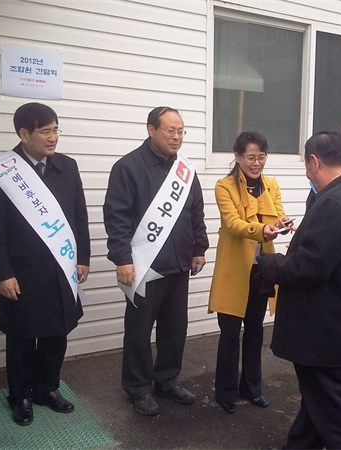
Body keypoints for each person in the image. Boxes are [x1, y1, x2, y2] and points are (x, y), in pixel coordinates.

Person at [257, 131, 341, 449]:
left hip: (325, 332)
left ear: (314, 161)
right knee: (317, 405)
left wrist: (269, 263)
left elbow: (309, 268)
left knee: (337, 418)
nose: (307, 173)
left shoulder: (334, 202)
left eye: (306, 166)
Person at [0, 102, 91, 426]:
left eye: (56, 130)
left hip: (60, 268)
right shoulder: (1, 172)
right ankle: (20, 396)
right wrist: (2, 273)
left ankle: (47, 389)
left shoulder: (67, 166)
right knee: (22, 336)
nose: (53, 137)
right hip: (21, 272)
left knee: (57, 332)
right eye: (45, 131)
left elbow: (78, 216)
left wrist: (82, 258)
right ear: (23, 133)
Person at [103, 106, 209, 416]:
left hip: (179, 263)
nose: (177, 137)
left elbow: (195, 212)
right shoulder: (128, 167)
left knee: (174, 328)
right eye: (170, 130)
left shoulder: (184, 170)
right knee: (139, 331)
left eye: (181, 131)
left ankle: (167, 379)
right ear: (151, 130)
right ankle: (138, 387)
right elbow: (117, 217)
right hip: (143, 266)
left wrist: (199, 248)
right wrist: (122, 259)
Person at [208, 131, 291, 414]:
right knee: (230, 334)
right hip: (233, 271)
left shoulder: (271, 185)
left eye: (261, 157)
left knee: (255, 331)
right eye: (251, 157)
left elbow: (276, 214)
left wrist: (282, 223)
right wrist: (263, 229)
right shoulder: (224, 186)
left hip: (261, 271)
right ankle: (225, 392)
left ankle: (252, 388)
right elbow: (233, 223)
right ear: (237, 157)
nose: (257, 163)